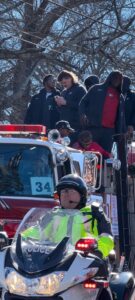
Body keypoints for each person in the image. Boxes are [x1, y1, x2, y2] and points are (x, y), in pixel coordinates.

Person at [23, 175, 114, 258]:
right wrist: (19, 240)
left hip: (84, 261)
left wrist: (98, 252)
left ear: (82, 196)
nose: (67, 196)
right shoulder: (53, 215)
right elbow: (35, 231)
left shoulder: (94, 213)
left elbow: (107, 237)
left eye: (71, 192)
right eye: (63, 192)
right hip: (54, 261)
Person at [79, 71, 126, 152]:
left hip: (109, 131)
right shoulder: (96, 88)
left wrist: (122, 131)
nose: (117, 80)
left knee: (106, 155)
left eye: (119, 79)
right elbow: (82, 102)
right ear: (110, 78)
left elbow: (121, 115)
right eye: (115, 78)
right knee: (90, 153)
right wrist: (82, 114)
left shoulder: (120, 96)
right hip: (93, 128)